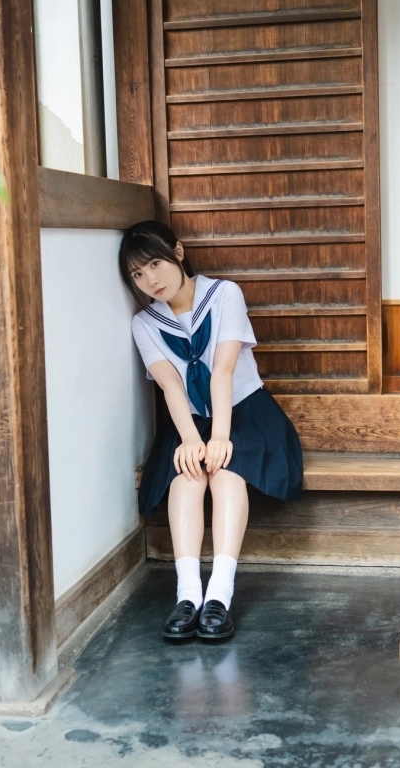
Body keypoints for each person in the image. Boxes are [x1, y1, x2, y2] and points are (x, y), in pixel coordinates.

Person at [119, 221, 303, 641]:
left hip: (245, 412)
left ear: (178, 252)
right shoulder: (144, 323)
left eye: (155, 264)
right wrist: (189, 438)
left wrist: (220, 437)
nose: (151, 280)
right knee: (188, 473)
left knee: (225, 472)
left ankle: (219, 594)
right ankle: (188, 596)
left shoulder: (224, 294)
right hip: (188, 420)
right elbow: (169, 383)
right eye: (138, 274)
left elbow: (223, 370)